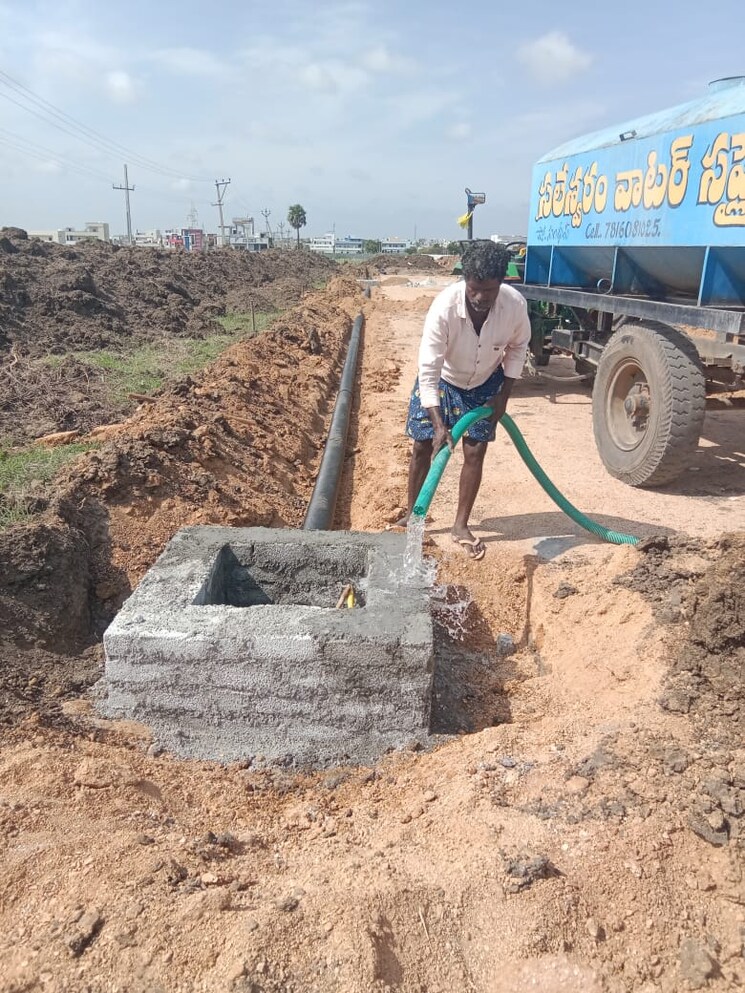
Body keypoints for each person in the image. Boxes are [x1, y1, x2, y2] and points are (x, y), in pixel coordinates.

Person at [396, 240, 531, 560]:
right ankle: (415, 515)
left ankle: (460, 525)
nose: (481, 297)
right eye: (474, 289)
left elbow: (518, 347)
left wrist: (504, 397)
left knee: (475, 449)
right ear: (465, 281)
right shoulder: (444, 308)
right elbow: (428, 369)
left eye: (489, 290)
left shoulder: (514, 306)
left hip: (485, 381)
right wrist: (438, 422)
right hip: (444, 378)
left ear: (501, 283)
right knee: (423, 445)